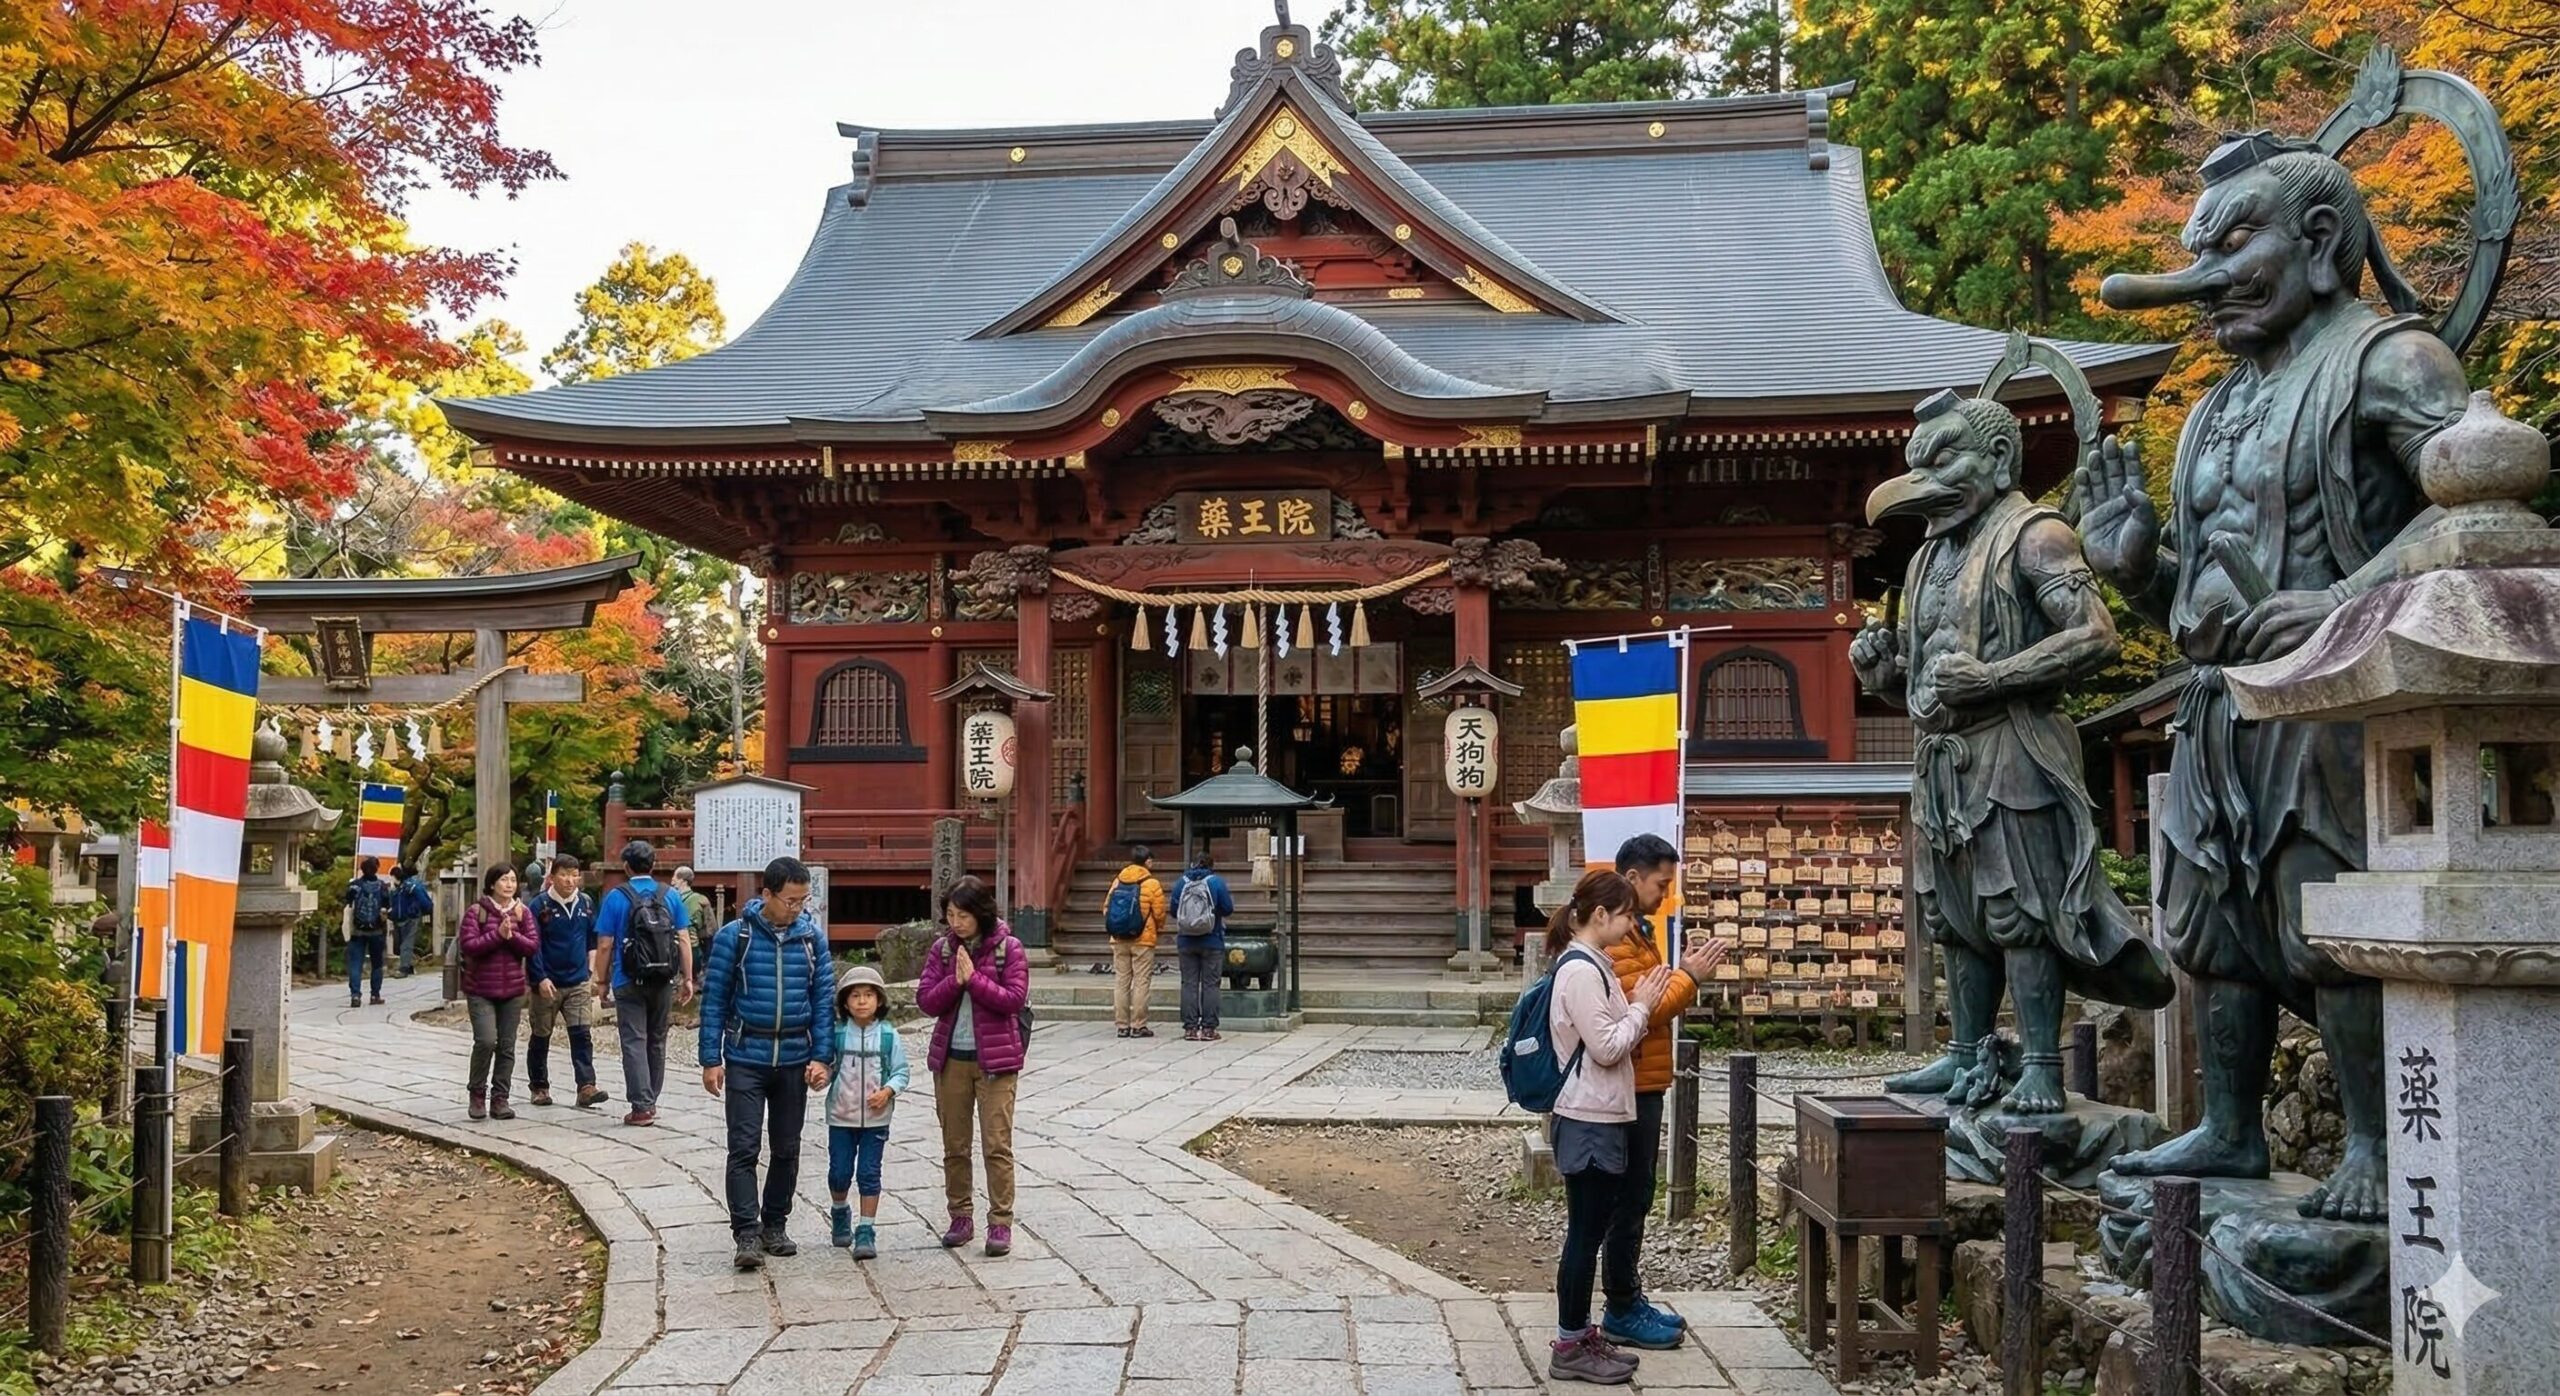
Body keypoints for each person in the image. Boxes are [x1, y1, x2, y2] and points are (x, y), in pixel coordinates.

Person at [1597, 833, 1729, 1350]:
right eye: (1661, 883)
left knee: (1636, 1194)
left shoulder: (1636, 930)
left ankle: (1627, 1296)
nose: (1665, 893)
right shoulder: (1617, 935)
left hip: (1644, 1077)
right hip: (1632, 1080)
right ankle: (1621, 1306)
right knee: (1629, 1197)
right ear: (1632, 879)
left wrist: (1679, 973)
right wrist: (1690, 976)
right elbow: (1640, 1006)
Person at [1545, 869, 1674, 1385]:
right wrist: (1641, 1006)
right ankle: (1570, 1341)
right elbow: (1607, 1047)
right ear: (1601, 915)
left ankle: (1577, 1334)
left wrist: (1637, 1004)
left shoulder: (1590, 964)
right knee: (1584, 1235)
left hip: (1596, 1113)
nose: (1629, 925)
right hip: (1588, 1117)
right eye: (1624, 916)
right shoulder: (1579, 971)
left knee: (1589, 1230)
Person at [699, 855, 833, 1272]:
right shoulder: (733, 937)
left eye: (803, 901)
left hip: (794, 1056)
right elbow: (715, 1000)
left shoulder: (812, 939)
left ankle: (776, 1224)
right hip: (745, 1055)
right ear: (767, 895)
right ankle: (746, 1233)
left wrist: (822, 1056)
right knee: (743, 1146)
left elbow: (823, 1002)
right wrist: (710, 1058)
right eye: (790, 901)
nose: (797, 909)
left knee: (787, 1148)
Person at [916, 875, 1030, 1257]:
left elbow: (1013, 999)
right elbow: (927, 1001)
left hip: (996, 1062)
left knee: (997, 1144)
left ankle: (1000, 1222)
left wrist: (975, 980)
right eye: (950, 914)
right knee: (955, 1144)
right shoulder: (943, 951)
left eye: (963, 915)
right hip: (951, 1060)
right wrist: (955, 979)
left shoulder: (1008, 949)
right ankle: (960, 1215)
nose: (956, 923)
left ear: (980, 914)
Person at [593, 841, 695, 1127]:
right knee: (657, 1039)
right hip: (663, 979)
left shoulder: (616, 897)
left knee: (634, 1040)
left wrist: (601, 981)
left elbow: (604, 944)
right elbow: (683, 939)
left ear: (626, 867)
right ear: (653, 865)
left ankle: (641, 1106)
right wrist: (688, 978)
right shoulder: (671, 895)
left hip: (627, 978)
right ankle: (651, 1100)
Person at [824, 963, 909, 1260]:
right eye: (855, 995)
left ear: (879, 1000)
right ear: (845, 1002)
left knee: (869, 1174)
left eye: (868, 995)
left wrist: (887, 1091)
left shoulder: (888, 1036)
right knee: (839, 1172)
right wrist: (819, 1076)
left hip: (876, 1119)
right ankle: (839, 1210)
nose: (862, 1001)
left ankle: (866, 1229)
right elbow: (827, 1069)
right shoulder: (836, 1035)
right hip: (841, 1116)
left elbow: (901, 1072)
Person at [458, 864, 540, 1121]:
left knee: (507, 1045)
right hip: (480, 988)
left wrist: (511, 935)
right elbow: (469, 945)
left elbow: (532, 946)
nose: (509, 884)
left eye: (513, 880)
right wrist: (497, 934)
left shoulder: (522, 912)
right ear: (492, 883)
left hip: (513, 989)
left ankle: (500, 1098)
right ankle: (477, 1093)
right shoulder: (476, 912)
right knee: (485, 1040)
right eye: (504, 879)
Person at [527, 853, 607, 1109]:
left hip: (578, 980)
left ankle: (586, 1085)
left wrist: (592, 972)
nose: (570, 880)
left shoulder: (585, 903)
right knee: (541, 1035)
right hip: (547, 981)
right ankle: (539, 1086)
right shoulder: (538, 906)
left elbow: (592, 939)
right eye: (564, 874)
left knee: (582, 1034)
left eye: (574, 875)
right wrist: (539, 977)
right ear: (552, 878)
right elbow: (533, 946)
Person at [1102, 844, 1168, 1038]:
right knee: (1141, 981)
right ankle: (1139, 1025)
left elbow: (1106, 908)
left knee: (1121, 981)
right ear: (1147, 861)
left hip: (1118, 938)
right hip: (1143, 940)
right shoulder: (1151, 883)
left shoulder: (1118, 880)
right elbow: (1159, 912)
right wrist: (1158, 929)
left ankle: (1122, 1025)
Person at [1172, 850, 1235, 1042]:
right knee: (1211, 985)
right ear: (1210, 865)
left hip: (1186, 940)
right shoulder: (1216, 882)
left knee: (1189, 983)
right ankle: (1209, 1028)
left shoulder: (1181, 882)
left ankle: (1190, 1028)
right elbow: (1228, 908)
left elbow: (1174, 911)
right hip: (1212, 939)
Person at [341, 856, 396, 1007]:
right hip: (376, 931)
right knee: (377, 964)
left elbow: (347, 903)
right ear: (377, 868)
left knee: (355, 963)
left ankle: (355, 995)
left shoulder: (354, 886)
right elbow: (387, 907)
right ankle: (375, 995)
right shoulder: (382, 887)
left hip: (357, 931)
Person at [671, 865, 714, 988]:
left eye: (675, 877)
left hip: (691, 948)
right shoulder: (676, 897)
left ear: (682, 881)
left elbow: (692, 933)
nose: (672, 880)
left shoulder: (695, 900)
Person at [391, 862, 434, 978]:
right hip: (405, 918)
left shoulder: (410, 887)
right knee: (404, 943)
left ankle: (404, 968)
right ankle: (408, 965)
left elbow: (425, 903)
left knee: (406, 943)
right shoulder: (406, 886)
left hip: (410, 917)